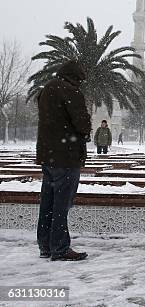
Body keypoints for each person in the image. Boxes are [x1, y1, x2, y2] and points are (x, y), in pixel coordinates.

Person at [35, 60, 91, 261]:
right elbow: (82, 123)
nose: (80, 84)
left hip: (48, 155)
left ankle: (45, 245)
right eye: (79, 80)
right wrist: (85, 130)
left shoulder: (46, 90)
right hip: (66, 156)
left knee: (48, 202)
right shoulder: (69, 91)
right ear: (74, 77)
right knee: (61, 204)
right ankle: (59, 247)